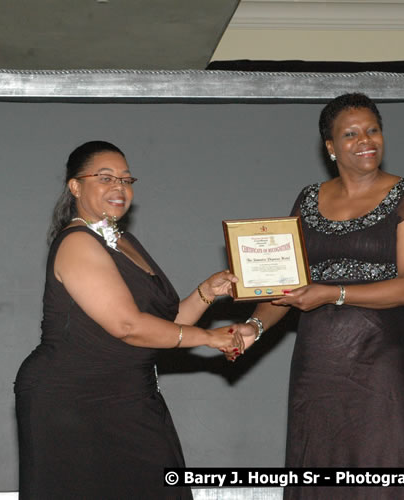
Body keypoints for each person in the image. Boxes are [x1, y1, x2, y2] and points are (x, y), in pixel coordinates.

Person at [230, 93, 404, 499]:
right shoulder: (307, 200)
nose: (366, 140)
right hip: (320, 364)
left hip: (382, 362)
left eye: (373, 130)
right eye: (351, 134)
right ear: (330, 147)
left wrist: (333, 293)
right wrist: (253, 328)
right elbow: (284, 285)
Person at [14, 141, 244, 499]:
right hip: (73, 400)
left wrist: (206, 292)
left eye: (126, 179)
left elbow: (164, 323)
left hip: (128, 394)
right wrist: (210, 338)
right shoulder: (78, 243)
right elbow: (128, 326)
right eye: (105, 178)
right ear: (75, 186)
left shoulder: (123, 241)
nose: (119, 187)